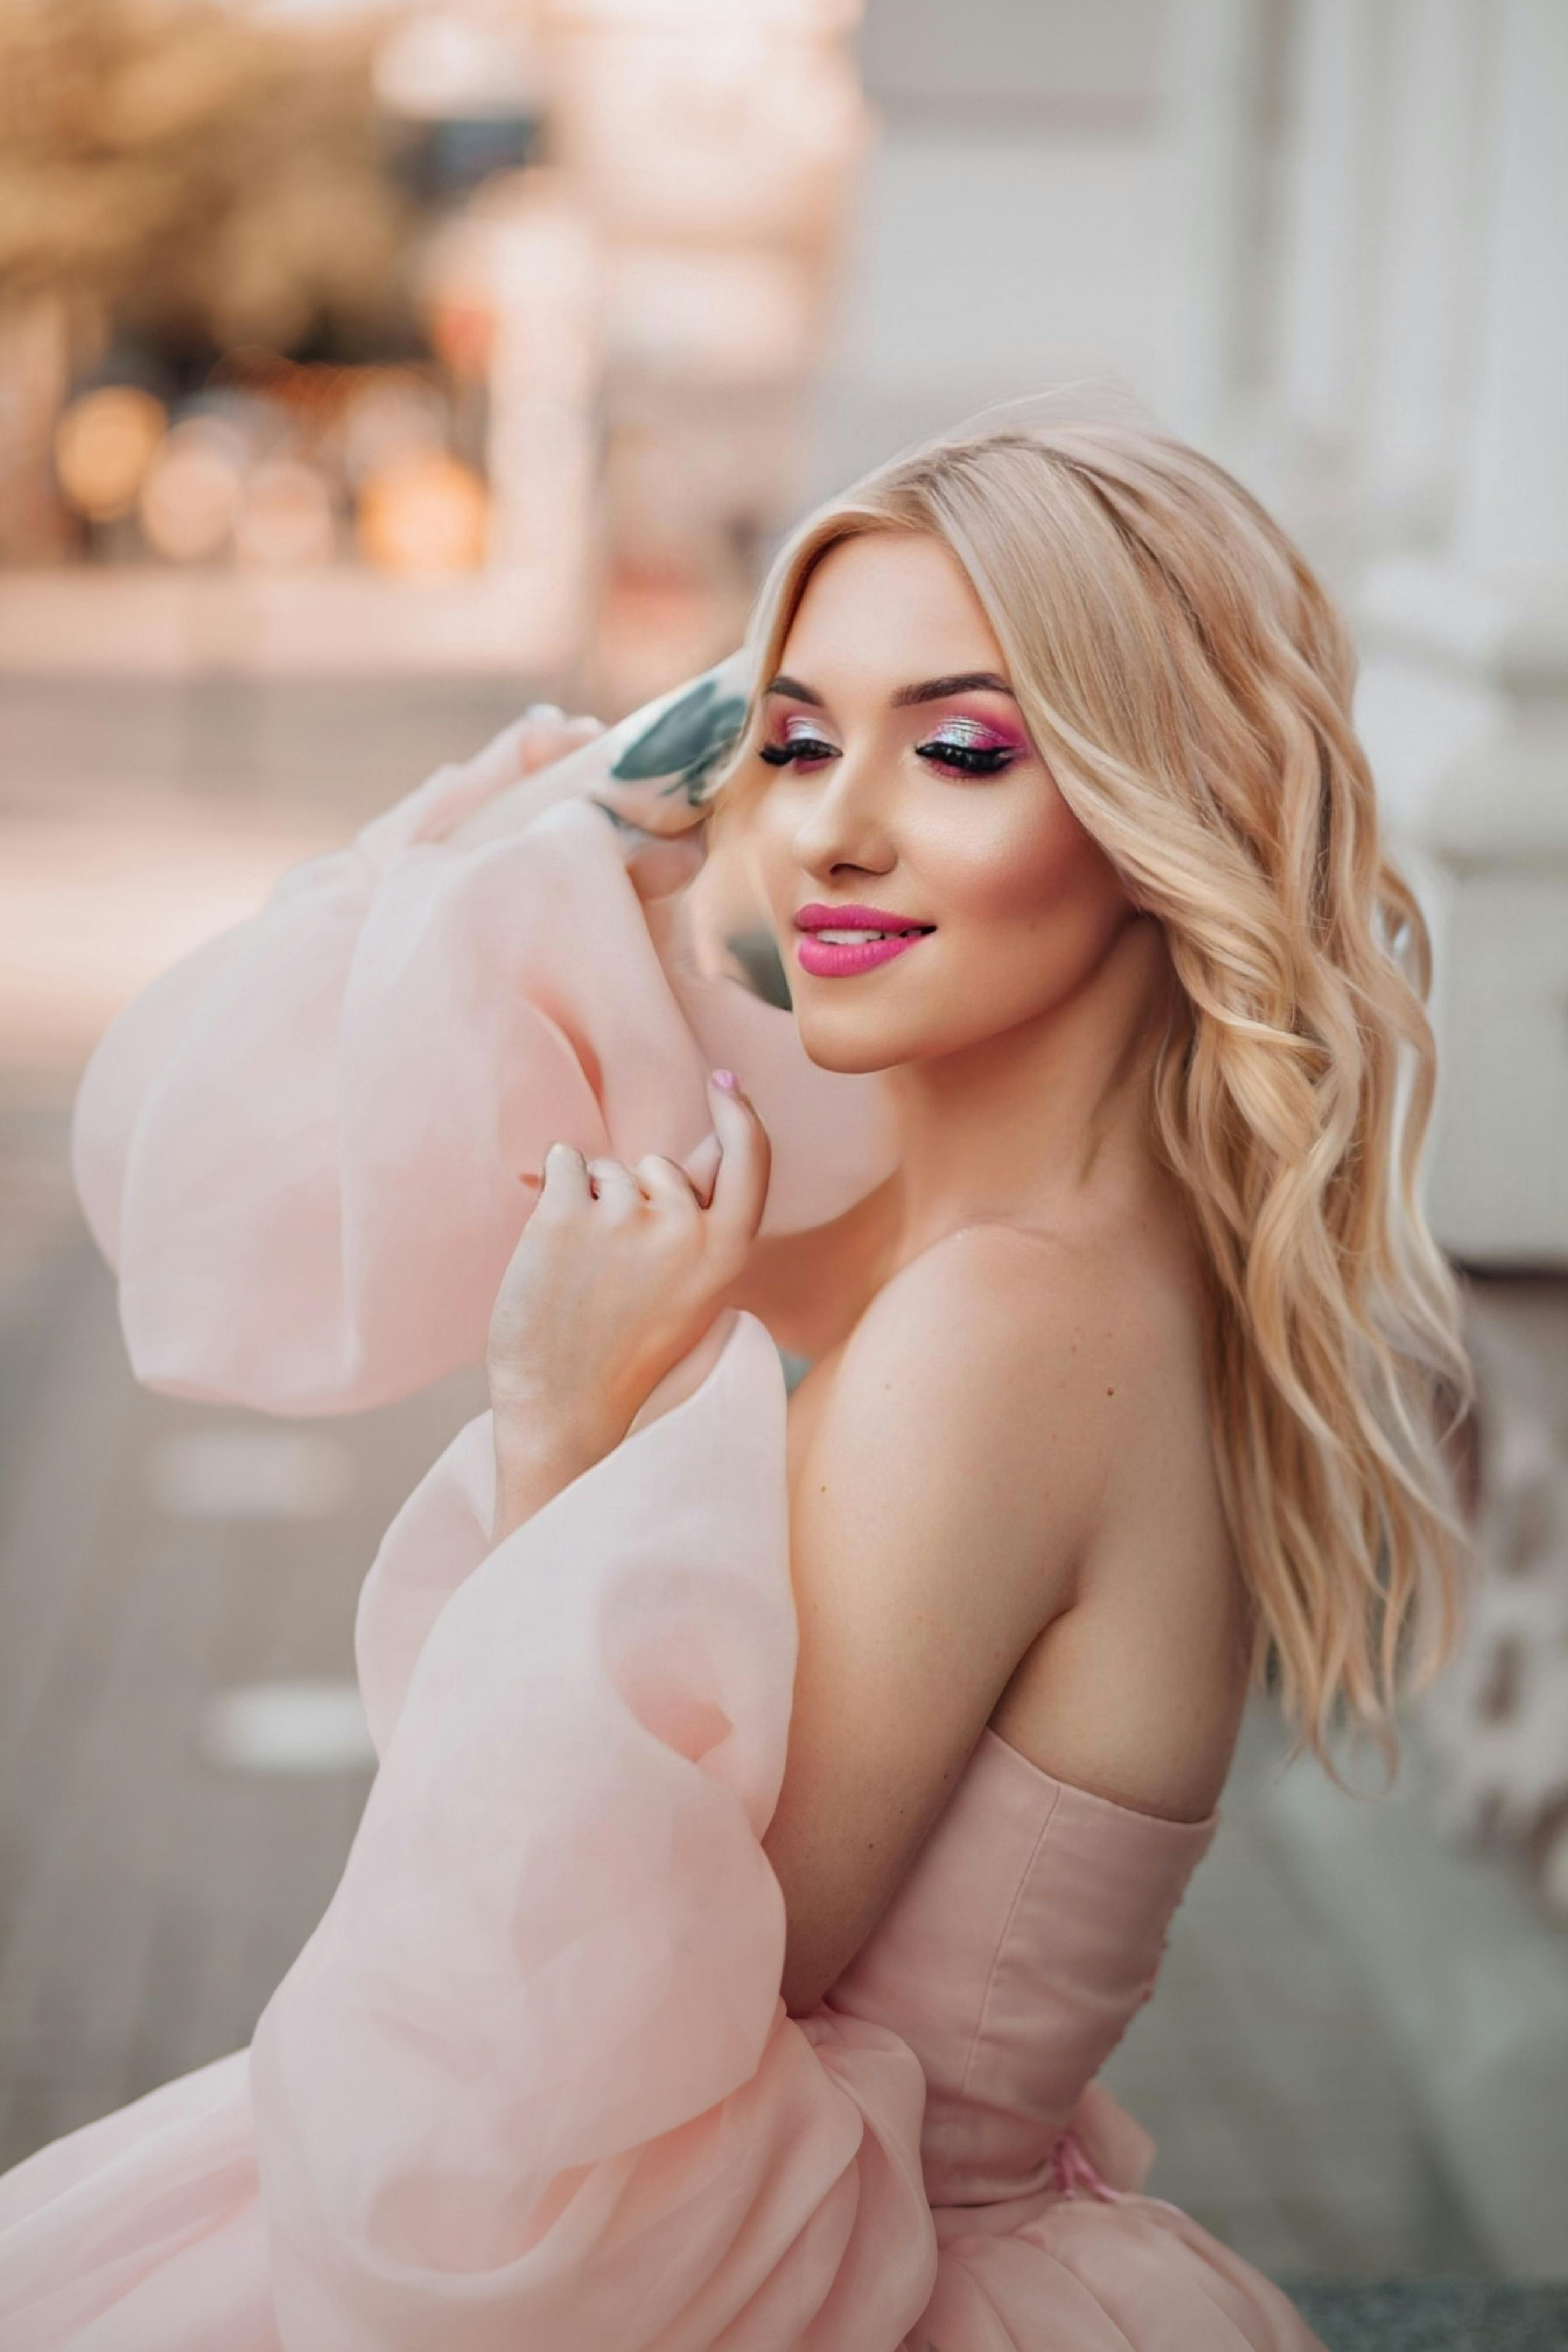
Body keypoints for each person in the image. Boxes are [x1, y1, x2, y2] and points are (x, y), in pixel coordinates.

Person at [0, 416, 1468, 2350]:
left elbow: (618, 2063)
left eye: (962, 747)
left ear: (1161, 800)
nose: (832, 832)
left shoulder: (1008, 1327)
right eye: (792, 742)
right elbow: (229, 1176)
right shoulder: (964, 1242)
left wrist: (562, 1441)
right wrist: (611, 803)